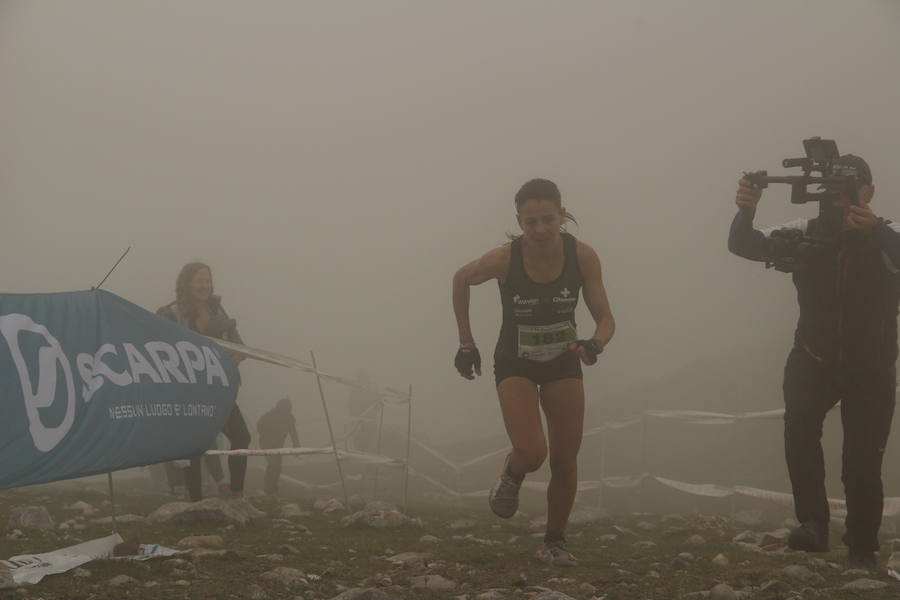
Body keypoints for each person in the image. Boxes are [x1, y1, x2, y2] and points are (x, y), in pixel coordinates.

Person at [728, 155, 900, 569]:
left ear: (869, 192)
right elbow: (743, 244)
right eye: (829, 191)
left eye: (847, 191)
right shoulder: (803, 231)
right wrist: (746, 207)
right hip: (812, 355)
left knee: (862, 461)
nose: (837, 201)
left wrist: (875, 231)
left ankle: (861, 547)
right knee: (800, 430)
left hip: (872, 365)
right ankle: (814, 526)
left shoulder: (889, 236)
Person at [451, 178, 615, 567]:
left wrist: (595, 343)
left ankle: (555, 541)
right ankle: (512, 471)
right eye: (530, 222)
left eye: (547, 219)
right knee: (532, 451)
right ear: (519, 222)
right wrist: (465, 343)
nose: (540, 230)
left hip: (563, 360)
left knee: (564, 459)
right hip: (516, 361)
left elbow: (605, 317)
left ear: (561, 214)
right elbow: (460, 279)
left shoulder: (583, 257)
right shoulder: (503, 259)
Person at [157, 262, 252, 501]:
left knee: (241, 437)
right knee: (193, 444)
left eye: (207, 280)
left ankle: (238, 497)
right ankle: (196, 503)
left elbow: (240, 346)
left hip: (218, 390)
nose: (204, 285)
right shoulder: (170, 313)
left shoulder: (219, 312)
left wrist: (237, 356)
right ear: (187, 283)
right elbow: (156, 347)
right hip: (187, 391)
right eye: (199, 280)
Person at [257, 397, 300, 495]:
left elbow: (293, 433)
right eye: (284, 411)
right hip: (266, 444)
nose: (285, 414)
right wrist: (270, 433)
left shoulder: (290, 418)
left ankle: (272, 487)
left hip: (278, 444)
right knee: (273, 464)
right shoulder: (270, 415)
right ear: (279, 409)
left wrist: (296, 446)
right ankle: (269, 488)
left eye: (287, 411)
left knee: (277, 466)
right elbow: (259, 426)